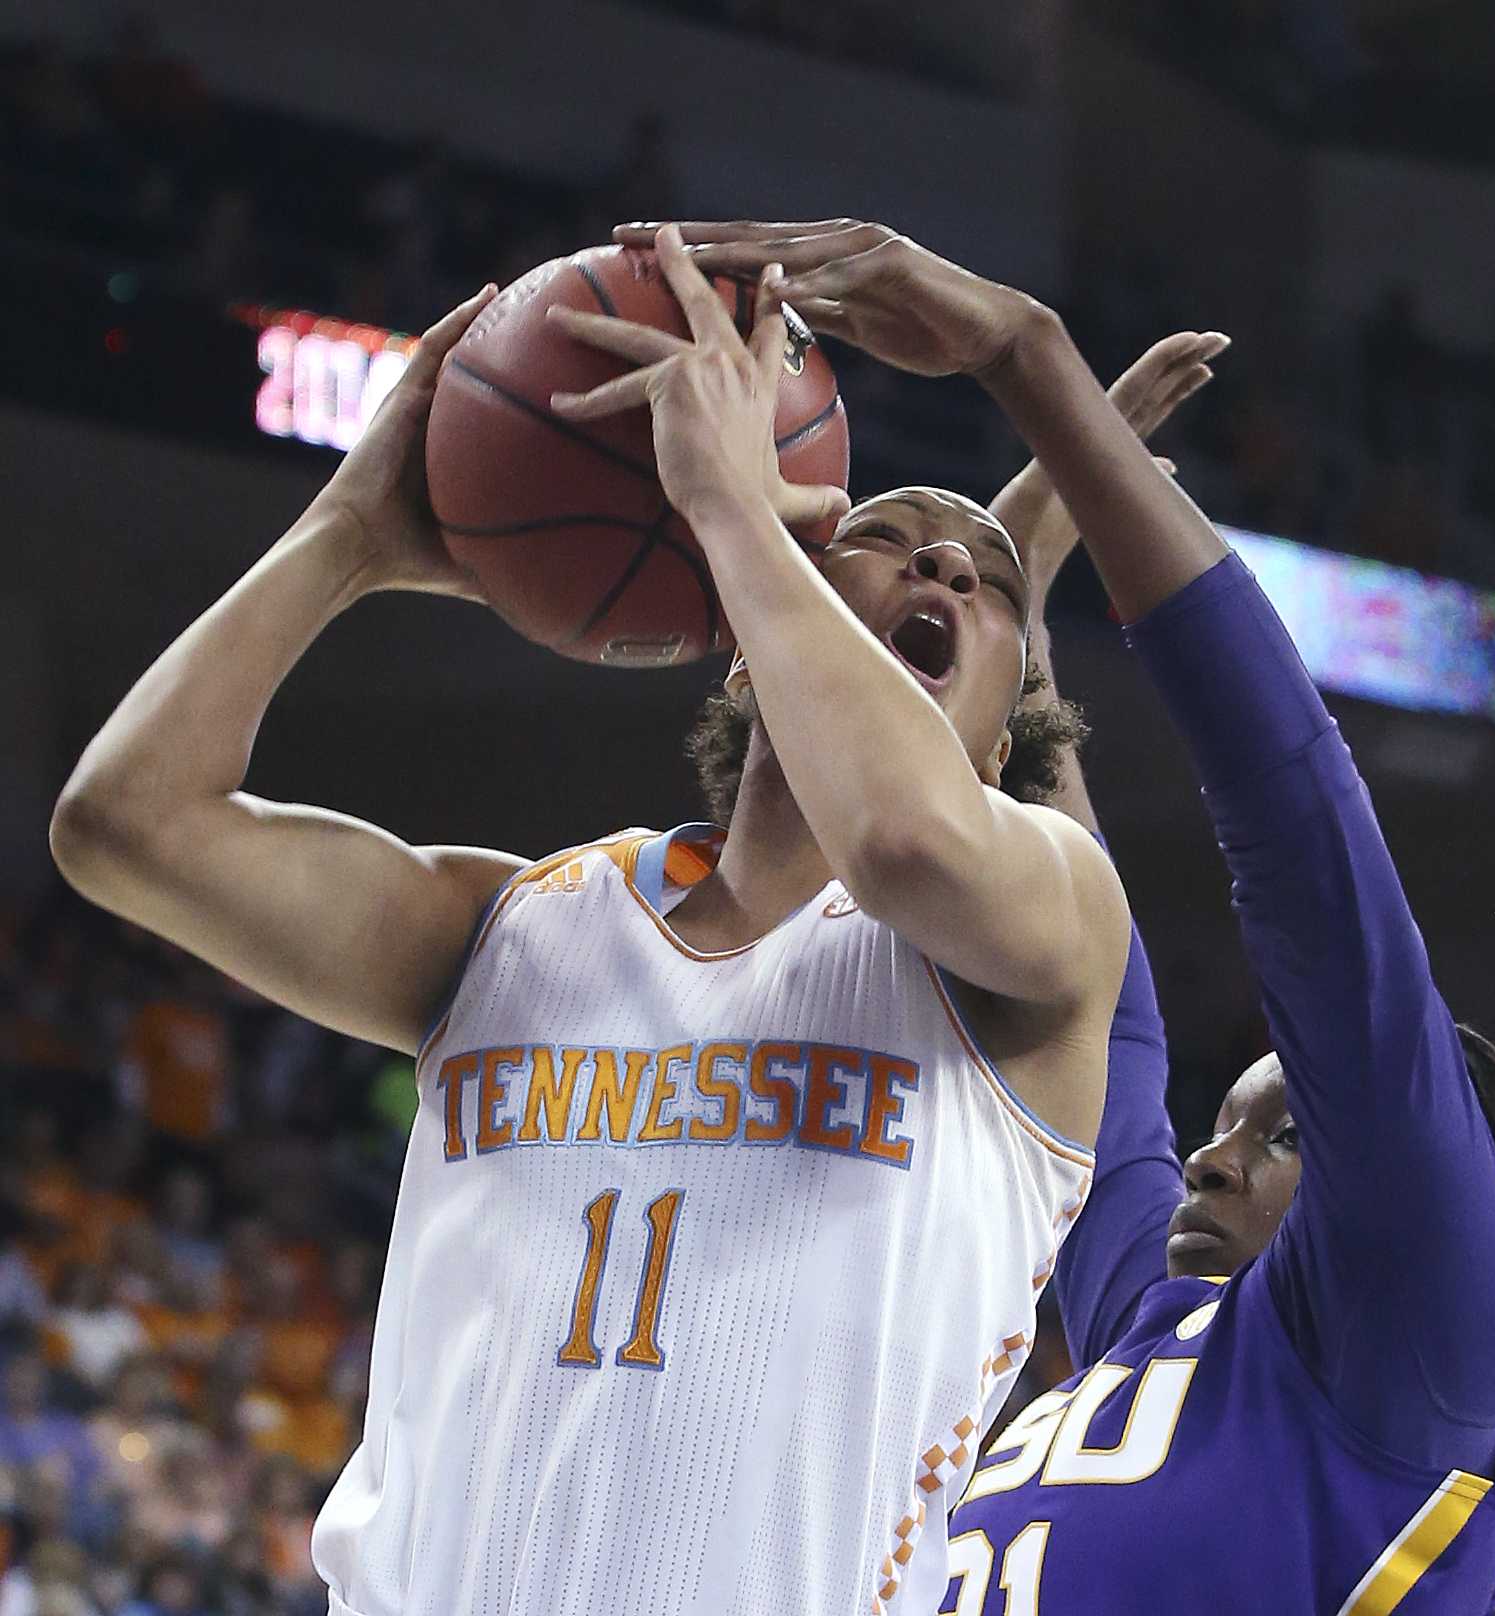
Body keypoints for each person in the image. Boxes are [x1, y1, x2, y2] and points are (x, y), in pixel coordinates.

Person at [612, 217, 1495, 1613]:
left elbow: (1298, 836)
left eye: (1282, 1132)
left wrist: (1030, 359)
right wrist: (1028, 605)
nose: (1208, 1164)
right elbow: (1103, 1007)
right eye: (1222, 1128)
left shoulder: (1413, 1330)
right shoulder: (1146, 1325)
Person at [50, 229, 1131, 1616]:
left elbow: (908, 837)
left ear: (993, 751)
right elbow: (123, 826)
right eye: (883, 538)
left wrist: (741, 512)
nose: (943, 568)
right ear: (746, 635)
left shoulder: (1043, 926)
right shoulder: (511, 927)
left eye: (986, 583)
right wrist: (343, 539)